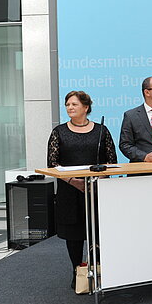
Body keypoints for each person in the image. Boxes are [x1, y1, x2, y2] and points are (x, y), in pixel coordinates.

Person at [47, 91, 117, 289]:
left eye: (74, 104)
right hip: (70, 191)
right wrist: (73, 181)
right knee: (74, 235)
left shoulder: (101, 131)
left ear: (86, 108)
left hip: (96, 190)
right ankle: (77, 271)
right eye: (68, 104)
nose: (70, 107)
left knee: (97, 233)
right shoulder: (59, 132)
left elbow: (112, 161)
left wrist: (97, 178)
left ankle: (97, 270)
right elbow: (52, 163)